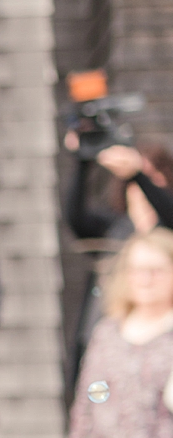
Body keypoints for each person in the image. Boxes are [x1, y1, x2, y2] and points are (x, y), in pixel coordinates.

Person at [55, 230, 173, 438]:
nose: (145, 279)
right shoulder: (107, 331)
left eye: (156, 270)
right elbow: (85, 404)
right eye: (137, 270)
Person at [62, 133, 173, 380]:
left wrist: (138, 174)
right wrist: (82, 161)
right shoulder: (115, 228)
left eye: (154, 177)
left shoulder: (167, 229)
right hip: (106, 338)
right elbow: (76, 218)